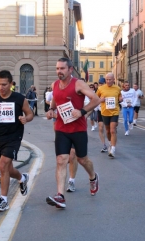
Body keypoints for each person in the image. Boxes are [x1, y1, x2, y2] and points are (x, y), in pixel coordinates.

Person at [45, 58, 100, 209]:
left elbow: (96, 100)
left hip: (78, 129)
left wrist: (82, 111)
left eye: (62, 68)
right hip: (61, 128)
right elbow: (55, 100)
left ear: (70, 70)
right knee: (61, 160)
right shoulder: (55, 85)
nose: (59, 72)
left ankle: (93, 176)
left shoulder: (78, 84)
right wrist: (51, 110)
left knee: (82, 160)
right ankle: (60, 196)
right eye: (57, 69)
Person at [0, 70, 34, 211]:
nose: (1, 87)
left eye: (4, 84)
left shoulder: (19, 98)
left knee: (3, 165)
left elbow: (30, 114)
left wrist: (26, 119)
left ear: (11, 84)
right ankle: (22, 178)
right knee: (8, 169)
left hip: (14, 136)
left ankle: (3, 200)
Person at [96, 73, 122, 158]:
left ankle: (113, 149)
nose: (108, 81)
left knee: (113, 130)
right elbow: (95, 98)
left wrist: (121, 99)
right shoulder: (101, 89)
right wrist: (100, 99)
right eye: (107, 79)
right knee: (107, 131)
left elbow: (120, 97)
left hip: (115, 112)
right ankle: (110, 143)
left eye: (110, 79)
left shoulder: (117, 88)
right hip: (105, 112)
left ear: (113, 79)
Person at [96, 77, 108, 152]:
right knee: (100, 128)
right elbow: (94, 99)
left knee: (108, 129)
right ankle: (104, 145)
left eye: (102, 83)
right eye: (99, 83)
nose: (101, 85)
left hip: (108, 111)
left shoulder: (108, 90)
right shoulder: (98, 91)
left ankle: (111, 142)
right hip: (100, 110)